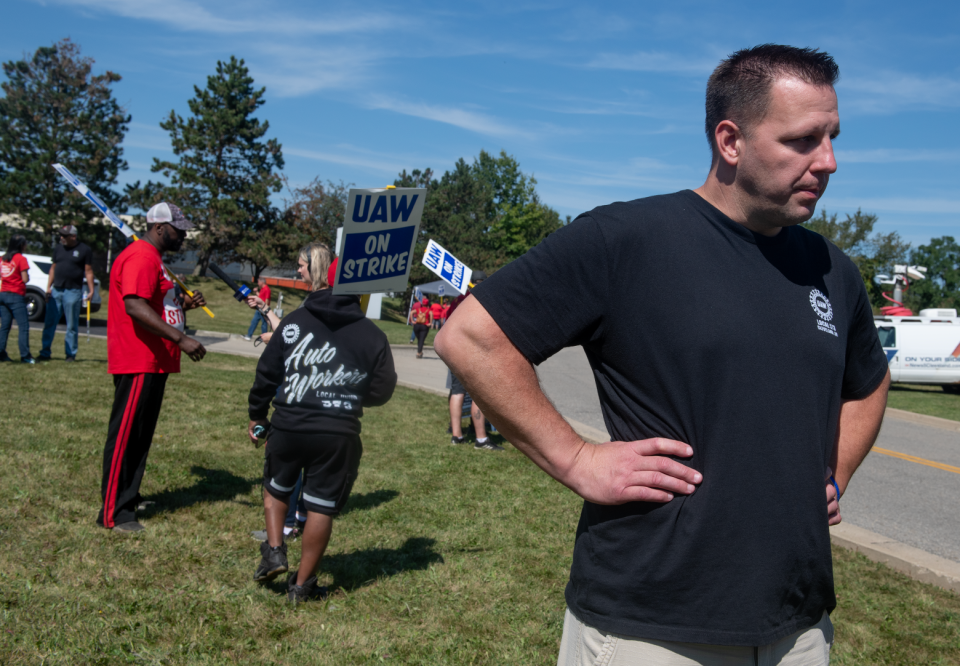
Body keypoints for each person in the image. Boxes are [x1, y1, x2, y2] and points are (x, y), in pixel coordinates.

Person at [436, 45, 890, 665]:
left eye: (833, 137)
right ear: (730, 140)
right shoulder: (626, 239)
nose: (829, 162)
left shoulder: (831, 270)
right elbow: (470, 337)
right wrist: (575, 458)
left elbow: (868, 382)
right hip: (652, 626)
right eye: (803, 140)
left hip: (798, 627)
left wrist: (835, 473)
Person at [248, 242, 397, 602]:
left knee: (275, 485)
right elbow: (382, 389)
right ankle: (302, 586)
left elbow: (267, 371)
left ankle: (274, 550)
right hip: (338, 434)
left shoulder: (295, 322)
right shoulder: (373, 335)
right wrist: (346, 395)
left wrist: (257, 414)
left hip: (288, 424)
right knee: (320, 506)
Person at [97, 202, 208, 533]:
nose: (183, 236)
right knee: (126, 436)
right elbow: (134, 305)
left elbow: (156, 304)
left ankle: (129, 496)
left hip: (154, 360)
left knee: (140, 435)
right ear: (160, 228)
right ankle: (113, 513)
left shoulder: (155, 260)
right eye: (179, 230)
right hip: (138, 358)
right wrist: (181, 339)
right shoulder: (142, 256)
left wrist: (184, 304)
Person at [39, 225, 95, 362]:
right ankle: (45, 352)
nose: (61, 238)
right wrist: (48, 287)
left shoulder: (84, 250)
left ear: (73, 237)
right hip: (57, 290)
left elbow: (88, 271)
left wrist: (91, 290)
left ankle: (70, 354)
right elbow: (53, 268)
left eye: (64, 236)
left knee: (71, 325)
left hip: (73, 291)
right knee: (49, 323)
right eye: (61, 235)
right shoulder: (58, 248)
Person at [0, 234, 34, 364]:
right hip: (16, 295)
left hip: (2, 294)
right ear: (21, 245)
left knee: (5, 326)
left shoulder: (2, 259)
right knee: (23, 326)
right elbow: (25, 279)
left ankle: (1, 352)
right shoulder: (21, 259)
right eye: (25, 243)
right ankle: (25, 355)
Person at [243, 276, 272, 341]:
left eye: (258, 282)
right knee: (254, 321)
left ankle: (264, 338)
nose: (258, 283)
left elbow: (267, 300)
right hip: (258, 309)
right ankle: (249, 335)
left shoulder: (267, 289)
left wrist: (264, 309)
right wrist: (256, 292)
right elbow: (260, 297)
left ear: (262, 282)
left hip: (263, 309)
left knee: (264, 324)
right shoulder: (262, 289)